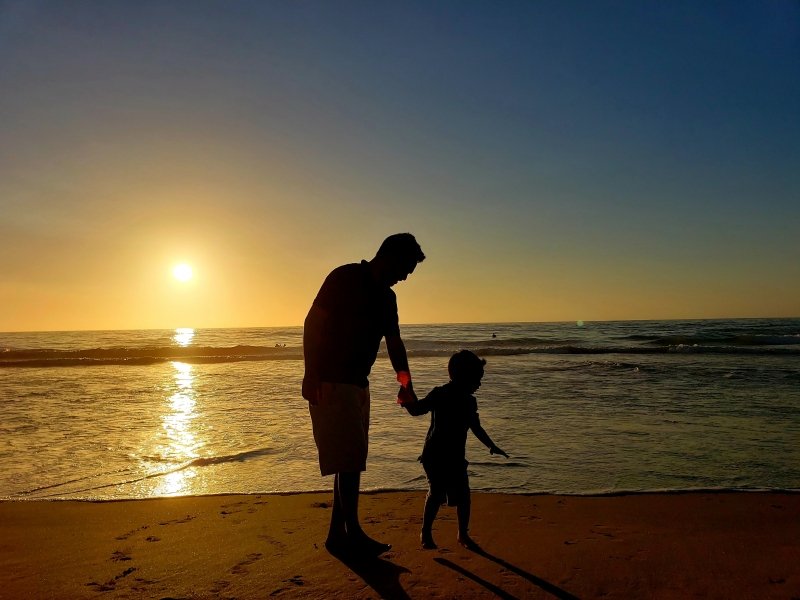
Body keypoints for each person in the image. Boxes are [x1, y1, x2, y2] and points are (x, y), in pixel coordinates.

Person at [303, 233, 425, 556]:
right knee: (350, 460)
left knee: (349, 459)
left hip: (359, 383)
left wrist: (405, 383)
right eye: (406, 267)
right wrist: (310, 372)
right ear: (389, 256)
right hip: (331, 381)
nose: (406, 276)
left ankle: (336, 534)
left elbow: (394, 344)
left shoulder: (387, 299)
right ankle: (352, 532)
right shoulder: (344, 278)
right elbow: (312, 324)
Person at [401, 350, 508, 550]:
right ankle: (425, 532)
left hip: (455, 457)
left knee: (463, 496)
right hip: (434, 455)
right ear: (463, 376)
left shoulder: (468, 401)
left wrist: (491, 445)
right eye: (477, 379)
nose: (479, 384)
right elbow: (418, 409)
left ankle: (462, 534)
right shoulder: (440, 394)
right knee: (437, 493)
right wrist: (406, 398)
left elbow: (476, 427)